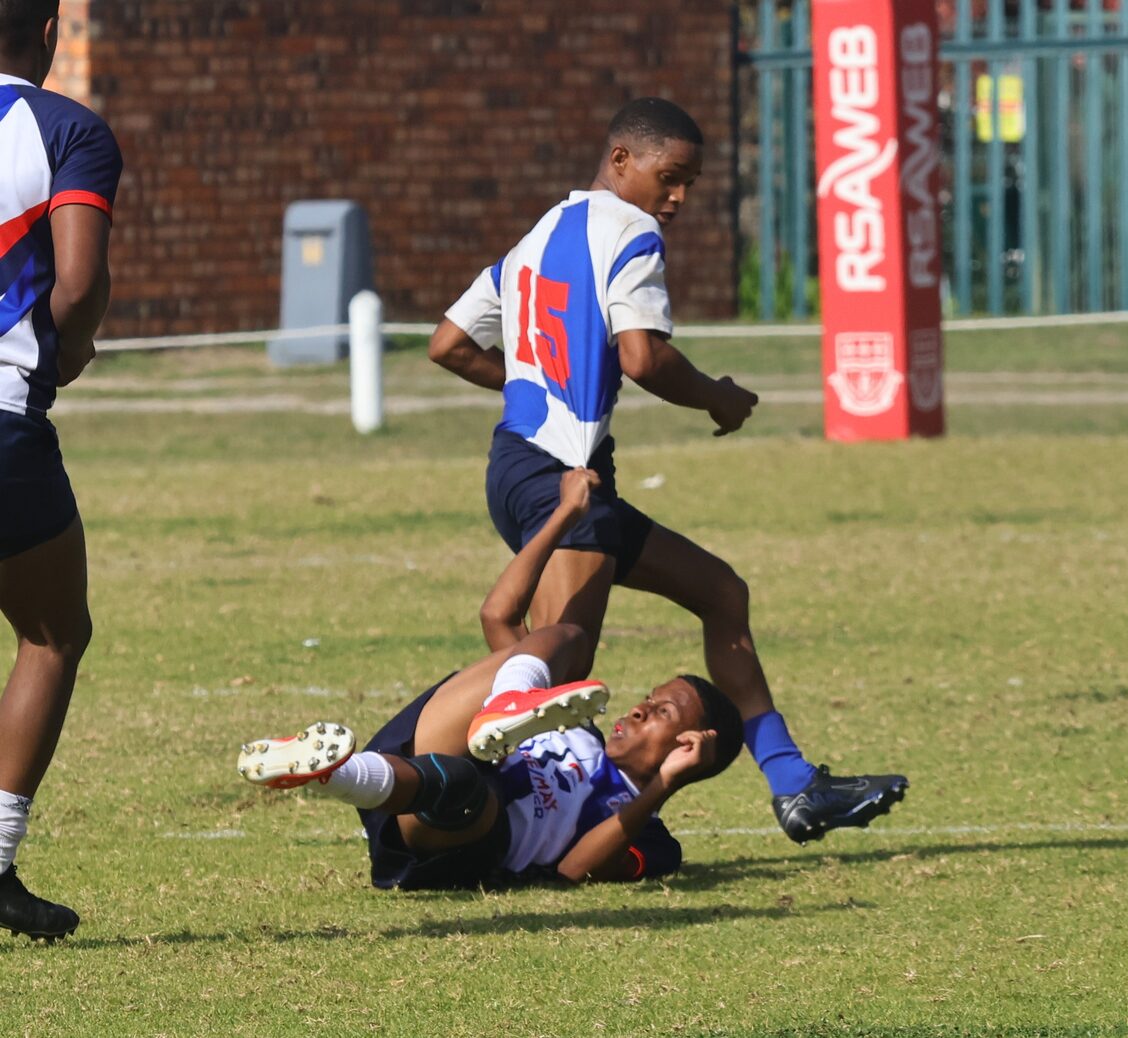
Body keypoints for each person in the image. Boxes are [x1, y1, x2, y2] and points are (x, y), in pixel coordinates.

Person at [427, 96, 907, 845]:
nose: (678, 197)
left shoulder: (539, 235)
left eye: (691, 183)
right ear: (621, 160)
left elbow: (448, 344)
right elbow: (643, 357)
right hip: (559, 475)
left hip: (538, 467)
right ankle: (504, 817)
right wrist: (718, 397)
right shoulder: (631, 230)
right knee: (557, 662)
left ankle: (794, 784)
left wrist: (532, 383)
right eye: (670, 176)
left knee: (721, 592)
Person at [237, 470, 745, 888]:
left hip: (463, 838)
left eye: (661, 713)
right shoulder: (569, 720)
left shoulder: (652, 836)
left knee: (462, 783)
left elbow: (575, 870)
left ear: (687, 746)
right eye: (649, 699)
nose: (637, 709)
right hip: (421, 760)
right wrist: (564, 515)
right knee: (565, 638)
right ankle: (499, 701)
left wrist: (663, 785)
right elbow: (498, 616)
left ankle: (339, 774)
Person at [0, 0, 122, 940]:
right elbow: (77, 285)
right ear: (49, 33)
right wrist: (67, 353)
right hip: (3, 421)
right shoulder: (68, 130)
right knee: (51, 633)